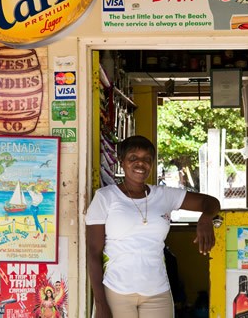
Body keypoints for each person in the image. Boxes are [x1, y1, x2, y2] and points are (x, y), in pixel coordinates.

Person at [85, 135, 221, 318]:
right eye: (133, 158)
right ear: (122, 162)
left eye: (146, 159)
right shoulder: (105, 197)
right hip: (116, 292)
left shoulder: (164, 195)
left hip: (157, 293)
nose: (140, 164)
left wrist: (205, 219)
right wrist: (100, 304)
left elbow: (210, 202)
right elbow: (93, 253)